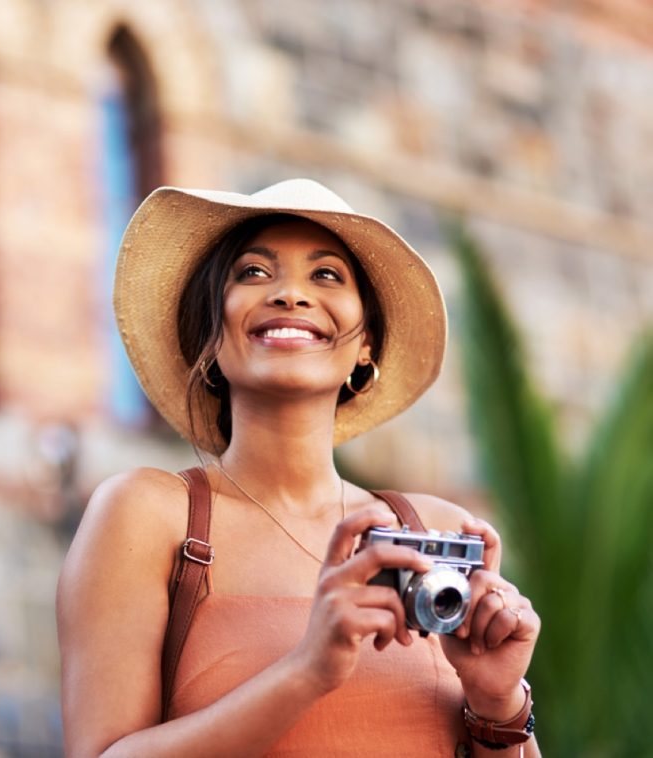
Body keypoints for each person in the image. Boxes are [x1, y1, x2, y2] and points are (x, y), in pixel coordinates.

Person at [56, 179, 541, 757]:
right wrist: (308, 670)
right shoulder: (150, 515)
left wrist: (499, 702)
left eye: (327, 275)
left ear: (367, 345)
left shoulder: (433, 530)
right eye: (254, 273)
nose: (290, 294)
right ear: (210, 336)